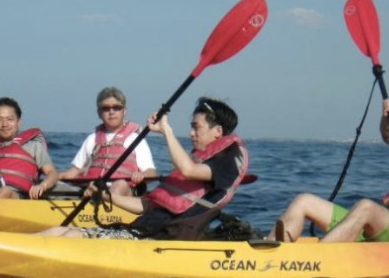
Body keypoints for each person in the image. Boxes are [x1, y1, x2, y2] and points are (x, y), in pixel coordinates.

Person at [34, 97, 249, 239]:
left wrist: (166, 130)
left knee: (70, 237)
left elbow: (188, 170)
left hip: (163, 238)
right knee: (58, 231)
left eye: (196, 127)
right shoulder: (200, 161)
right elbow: (147, 204)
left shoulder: (227, 162)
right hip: (144, 228)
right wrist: (108, 197)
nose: (191, 133)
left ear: (218, 131)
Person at [267, 98, 389, 243]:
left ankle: (317, 260)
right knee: (303, 201)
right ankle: (271, 252)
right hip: (382, 223)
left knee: (366, 207)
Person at [58, 87, 157, 196]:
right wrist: (52, 178)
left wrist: (142, 175)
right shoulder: (92, 139)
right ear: (99, 113)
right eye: (105, 108)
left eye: (117, 107)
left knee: (120, 185)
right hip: (92, 189)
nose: (111, 112)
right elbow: (73, 172)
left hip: (123, 194)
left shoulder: (136, 139)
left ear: (124, 111)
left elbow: (151, 172)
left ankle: (104, 197)